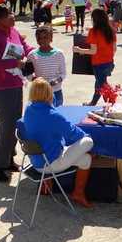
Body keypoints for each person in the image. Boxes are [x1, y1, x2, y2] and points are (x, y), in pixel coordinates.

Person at [19, 78, 93, 206]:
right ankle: (77, 193)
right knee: (88, 141)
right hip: (49, 163)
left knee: (86, 159)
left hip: (35, 161)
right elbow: (74, 134)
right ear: (50, 93)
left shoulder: (29, 109)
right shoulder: (53, 115)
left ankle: (77, 193)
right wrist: (85, 139)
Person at [0, 5, 34, 183]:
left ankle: (9, 159)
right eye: (8, 15)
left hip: (15, 83)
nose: (12, 17)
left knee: (14, 123)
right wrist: (16, 63)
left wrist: (36, 53)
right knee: (7, 125)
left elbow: (25, 47)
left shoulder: (13, 31)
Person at [73, 9, 117, 106]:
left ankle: (111, 102)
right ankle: (97, 102)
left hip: (98, 63)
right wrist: (108, 57)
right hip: (109, 62)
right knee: (100, 83)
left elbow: (93, 51)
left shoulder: (94, 32)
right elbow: (114, 49)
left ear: (94, 19)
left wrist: (79, 50)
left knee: (102, 85)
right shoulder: (111, 30)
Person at [28, 26, 67, 107]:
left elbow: (63, 74)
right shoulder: (32, 55)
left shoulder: (59, 54)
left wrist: (54, 82)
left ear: (51, 38)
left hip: (56, 92)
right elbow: (28, 75)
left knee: (56, 114)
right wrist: (38, 81)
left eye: (45, 37)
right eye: (39, 38)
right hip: (39, 94)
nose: (42, 40)